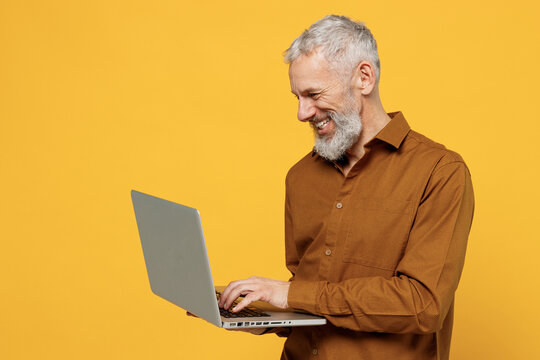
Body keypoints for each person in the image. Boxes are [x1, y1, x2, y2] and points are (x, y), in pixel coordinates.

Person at [216, 15, 475, 359]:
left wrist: (290, 296)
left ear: (364, 78)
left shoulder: (440, 172)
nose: (302, 112)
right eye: (296, 96)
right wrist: (259, 310)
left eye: (313, 94)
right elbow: (307, 294)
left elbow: (422, 304)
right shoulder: (300, 176)